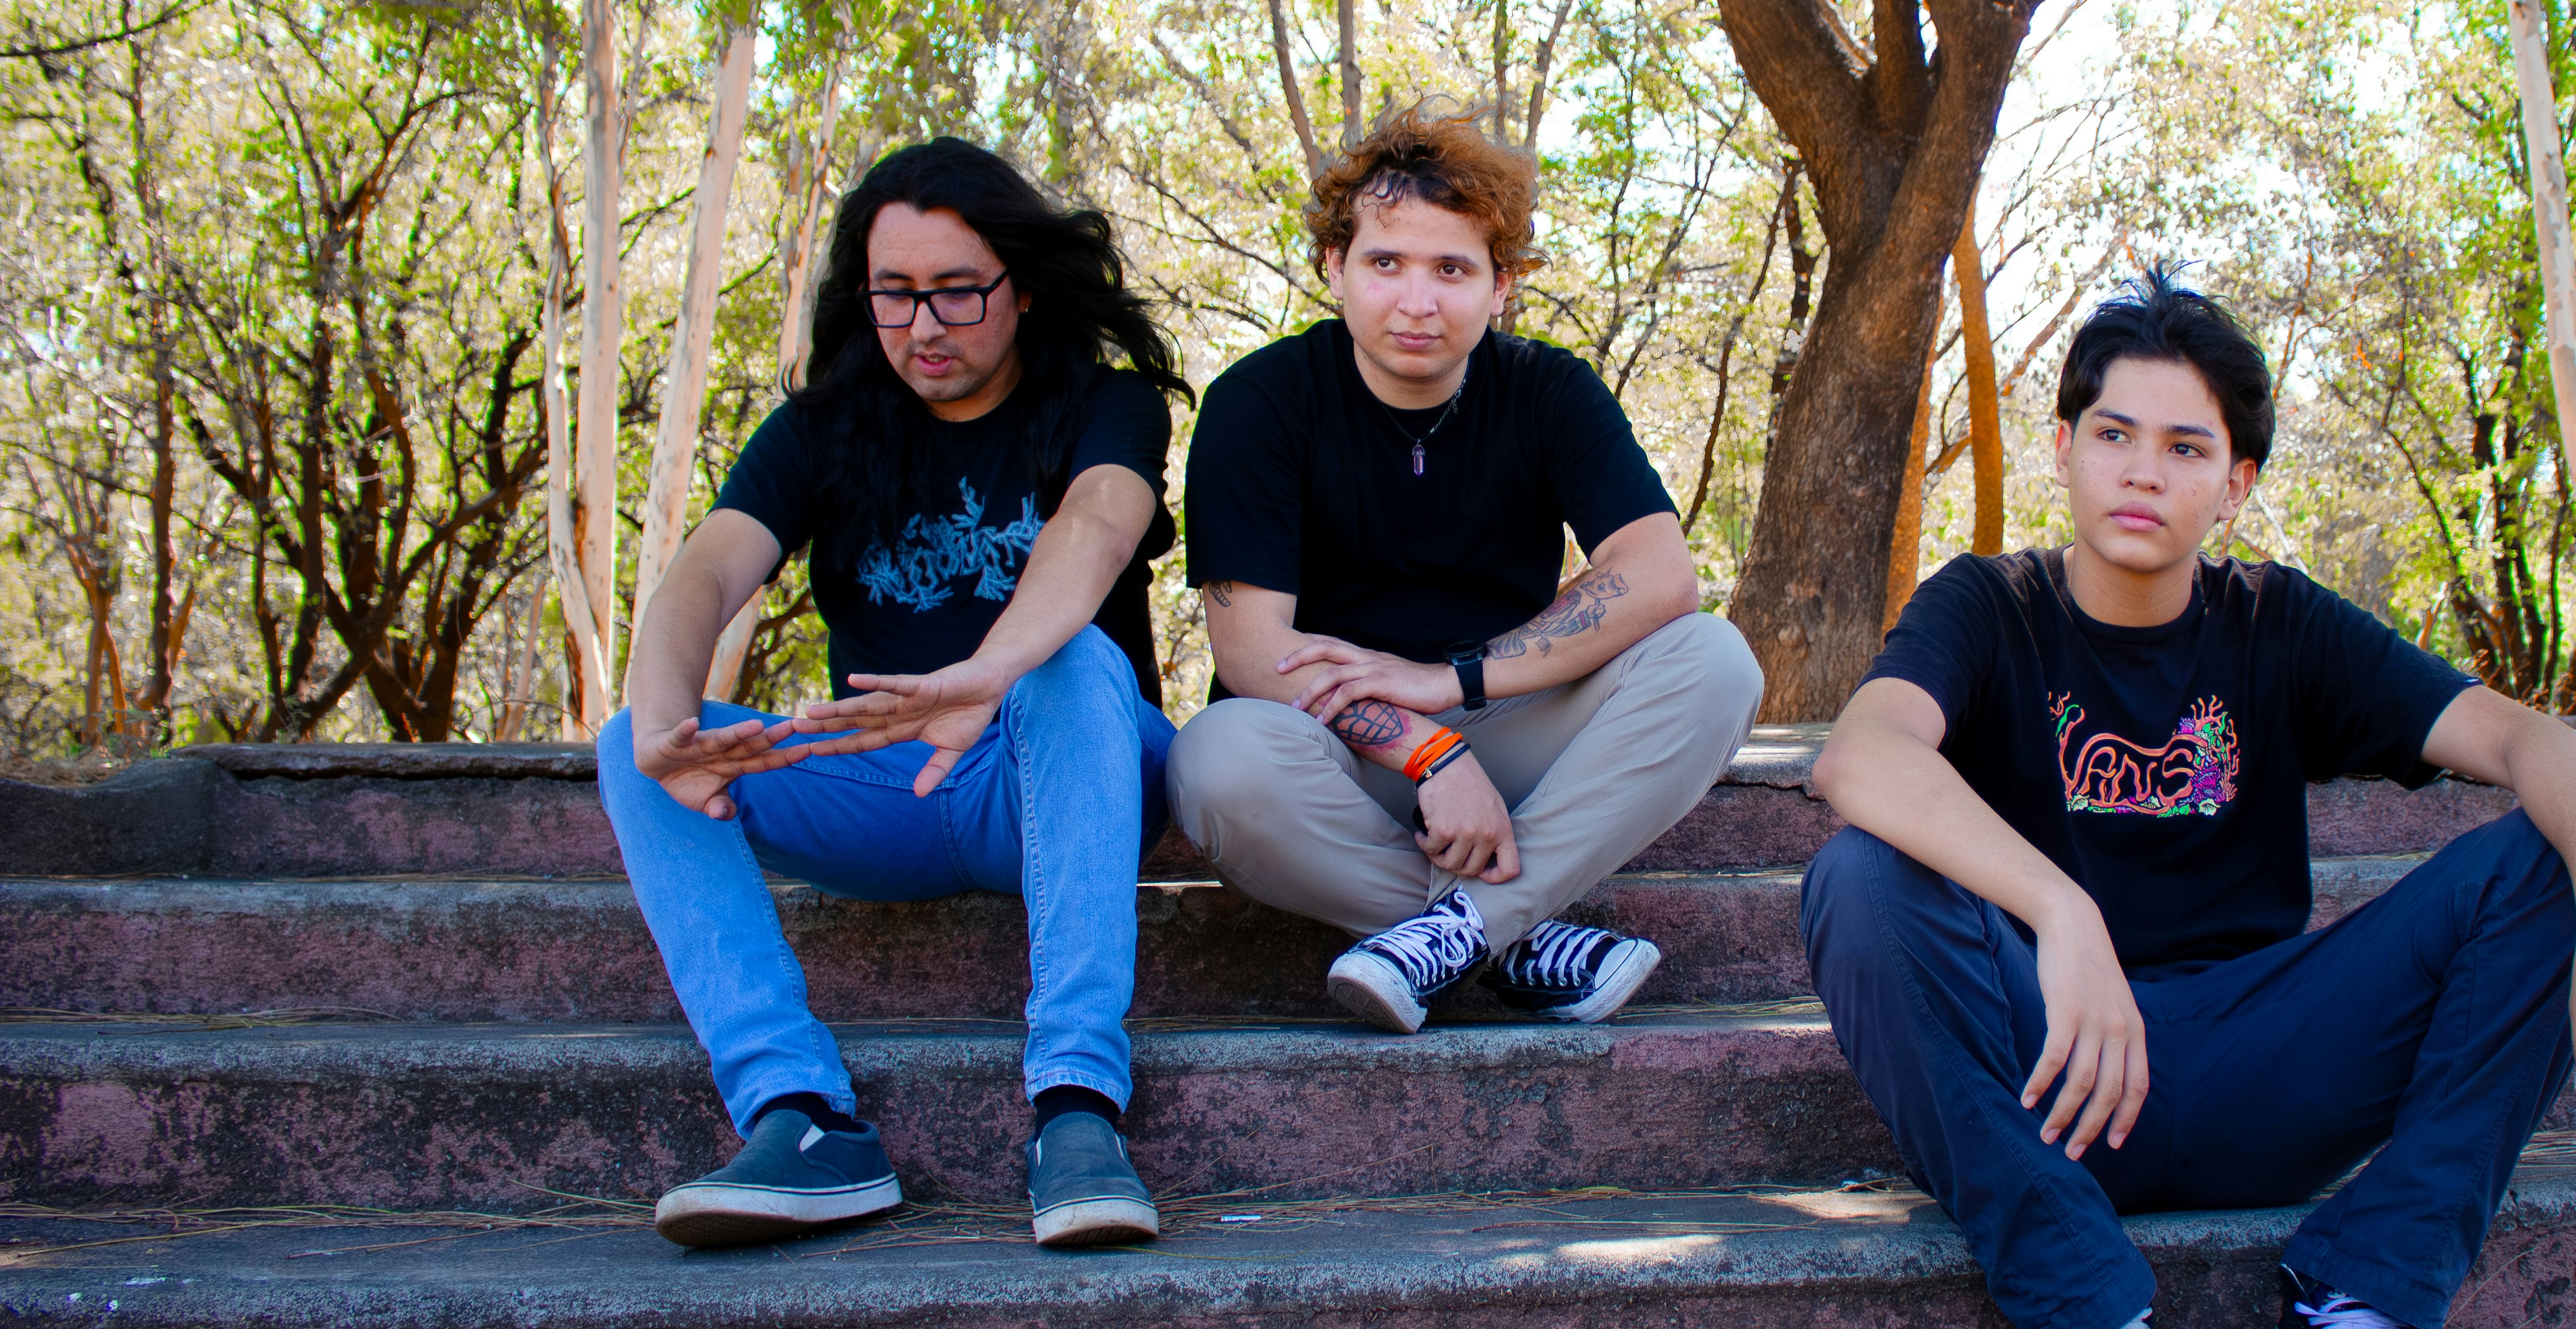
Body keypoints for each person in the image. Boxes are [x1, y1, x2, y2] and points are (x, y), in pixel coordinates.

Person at [1802, 269, 2576, 1329]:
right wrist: (2064, 914)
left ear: (2233, 484)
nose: (2142, 472)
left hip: (2263, 1064)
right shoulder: (1989, 607)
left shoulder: (2275, 624)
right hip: (2048, 1074)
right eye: (2114, 436)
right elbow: (1860, 756)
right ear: (2065, 450)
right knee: (1857, 880)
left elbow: (2529, 743)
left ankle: (2351, 1302)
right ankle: (2084, 1320)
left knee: (2546, 862)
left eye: (2185, 448)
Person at [599, 138, 1192, 1251]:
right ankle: (803, 1117)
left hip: (1065, 780)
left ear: (1018, 286)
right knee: (638, 738)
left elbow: (1099, 522)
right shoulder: (826, 428)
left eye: (959, 292)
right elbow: (705, 570)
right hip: (895, 784)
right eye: (896, 296)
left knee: (1069, 665)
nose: (926, 326)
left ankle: (1076, 1110)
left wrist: (989, 672)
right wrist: (664, 717)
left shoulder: (1103, 408)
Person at [1167, 106, 1763, 1034]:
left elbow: (1659, 577)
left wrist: (1450, 688)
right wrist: (1427, 747)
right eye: (1385, 263)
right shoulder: (1259, 403)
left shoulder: (1549, 390)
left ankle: (1454, 933)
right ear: (1334, 267)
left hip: (1508, 723)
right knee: (1215, 760)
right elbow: (1253, 655)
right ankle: (1513, 940)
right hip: (1338, 752)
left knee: (1715, 660)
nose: (1417, 301)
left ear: (1500, 287)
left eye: (1452, 269)